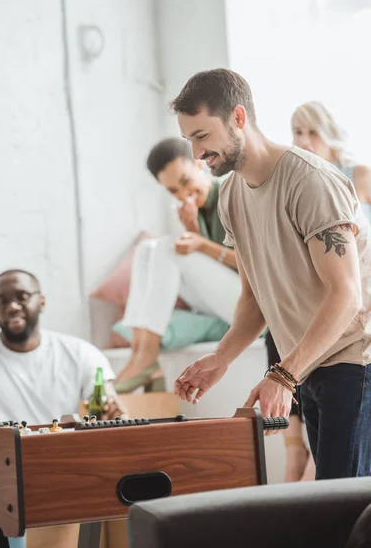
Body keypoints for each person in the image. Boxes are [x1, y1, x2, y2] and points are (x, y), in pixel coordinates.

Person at [173, 68, 371, 481]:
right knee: (335, 510)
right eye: (190, 139)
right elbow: (254, 298)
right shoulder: (230, 196)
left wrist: (282, 373)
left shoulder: (311, 181)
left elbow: (346, 295)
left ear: (238, 118)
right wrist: (221, 357)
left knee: (343, 514)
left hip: (356, 362)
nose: (196, 153)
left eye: (202, 136)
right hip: (311, 365)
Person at [0, 269, 128, 547]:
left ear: (41, 301)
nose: (12, 306)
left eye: (21, 297)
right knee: (6, 501)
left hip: (64, 467)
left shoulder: (79, 352)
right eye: (2, 300)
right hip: (0, 474)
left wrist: (115, 417)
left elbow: (108, 410)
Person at [267, 101, 371, 482]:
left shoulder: (355, 175)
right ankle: (295, 446)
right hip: (322, 296)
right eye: (296, 132)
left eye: (311, 132)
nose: (303, 140)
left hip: (357, 294)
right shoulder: (297, 185)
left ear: (329, 134)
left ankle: (300, 457)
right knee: (277, 328)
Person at [114, 138, 241, 393]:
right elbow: (205, 271)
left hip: (249, 303)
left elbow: (253, 264)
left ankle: (148, 356)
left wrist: (200, 244)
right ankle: (139, 350)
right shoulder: (193, 212)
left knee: (168, 248)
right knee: (146, 249)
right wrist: (192, 230)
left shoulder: (230, 195)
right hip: (218, 302)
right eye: (173, 191)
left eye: (185, 181)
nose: (183, 194)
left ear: (199, 164)